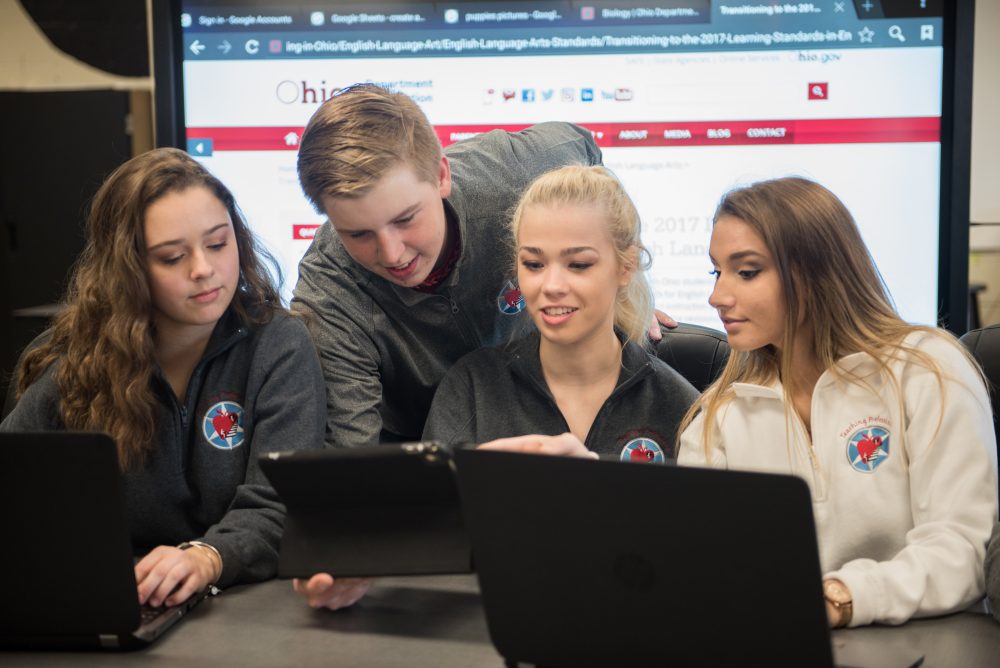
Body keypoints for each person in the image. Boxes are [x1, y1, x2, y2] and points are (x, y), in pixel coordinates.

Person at [0, 148, 326, 607]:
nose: (203, 269)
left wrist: (206, 557)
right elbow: (15, 495)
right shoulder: (71, 360)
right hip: (114, 596)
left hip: (244, 602)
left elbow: (279, 506)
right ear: (127, 270)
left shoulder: (278, 345)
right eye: (172, 257)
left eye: (218, 243)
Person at [676, 177, 998, 627]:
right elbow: (701, 566)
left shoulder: (928, 370)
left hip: (929, 642)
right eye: (717, 272)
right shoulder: (718, 416)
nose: (718, 297)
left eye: (746, 272)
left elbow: (963, 550)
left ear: (815, 273)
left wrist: (841, 598)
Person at [291, 84, 605, 449]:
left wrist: (616, 283)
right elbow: (354, 463)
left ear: (441, 175)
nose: (393, 255)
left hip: (549, 410)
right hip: (415, 453)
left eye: (405, 219)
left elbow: (585, 150)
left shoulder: (512, 171)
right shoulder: (329, 293)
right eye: (359, 234)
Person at [423, 165, 698, 459]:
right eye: (534, 264)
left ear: (626, 266)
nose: (551, 286)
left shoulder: (679, 407)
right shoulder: (472, 387)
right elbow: (429, 503)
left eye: (578, 265)